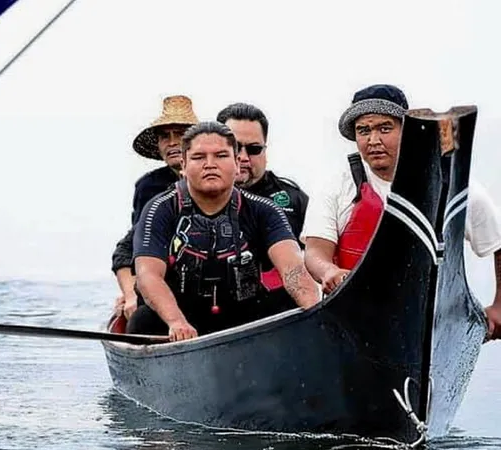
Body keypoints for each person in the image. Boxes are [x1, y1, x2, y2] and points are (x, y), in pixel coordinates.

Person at [300, 84, 501, 341]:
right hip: (355, 325)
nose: (373, 140)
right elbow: (315, 252)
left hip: (434, 323)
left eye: (385, 128)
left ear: (406, 131)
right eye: (364, 131)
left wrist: (499, 306)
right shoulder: (337, 186)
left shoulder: (454, 187)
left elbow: (497, 241)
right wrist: (328, 271)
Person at [130, 121, 321, 341]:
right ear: (183, 165)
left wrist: (314, 311)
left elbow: (293, 269)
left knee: (288, 304)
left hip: (245, 314)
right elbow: (148, 276)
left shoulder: (264, 210)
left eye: (221, 156)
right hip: (180, 319)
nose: (210, 165)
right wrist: (176, 322)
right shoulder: (160, 208)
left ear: (238, 164)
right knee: (141, 321)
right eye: (199, 157)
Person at [217, 102, 310, 316]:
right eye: (234, 147)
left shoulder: (294, 199)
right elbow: (132, 251)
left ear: (265, 149)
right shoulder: (187, 198)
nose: (243, 157)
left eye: (254, 149)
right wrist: (129, 292)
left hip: (275, 313)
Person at [111, 95, 199, 321]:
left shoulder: (223, 181)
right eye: (164, 137)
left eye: (179, 135)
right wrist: (130, 294)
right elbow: (131, 248)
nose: (171, 142)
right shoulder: (148, 187)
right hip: (162, 282)